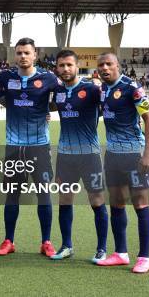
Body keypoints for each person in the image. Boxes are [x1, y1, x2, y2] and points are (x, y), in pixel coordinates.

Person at [0, 37, 58, 257]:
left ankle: (46, 242)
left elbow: (64, 97)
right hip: (13, 147)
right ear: (15, 55)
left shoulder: (48, 78)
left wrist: (47, 108)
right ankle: (8, 240)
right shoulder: (6, 77)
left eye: (26, 53)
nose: (22, 56)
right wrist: (10, 103)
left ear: (35, 55)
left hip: (39, 146)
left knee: (44, 194)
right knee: (12, 194)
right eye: (19, 53)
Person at [96, 52, 149, 273]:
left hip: (134, 154)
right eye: (101, 65)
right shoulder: (102, 89)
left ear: (117, 66)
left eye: (109, 64)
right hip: (112, 155)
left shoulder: (132, 88)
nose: (104, 68)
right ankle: (121, 253)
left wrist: (148, 153)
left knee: (140, 203)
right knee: (117, 202)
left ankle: (144, 257)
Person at [49, 50, 108, 262]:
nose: (65, 69)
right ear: (57, 67)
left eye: (69, 65)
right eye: (61, 65)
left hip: (89, 155)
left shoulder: (92, 89)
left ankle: (102, 248)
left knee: (97, 201)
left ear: (77, 66)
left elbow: (110, 108)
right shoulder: (57, 91)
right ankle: (66, 246)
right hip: (65, 155)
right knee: (64, 200)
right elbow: (53, 107)